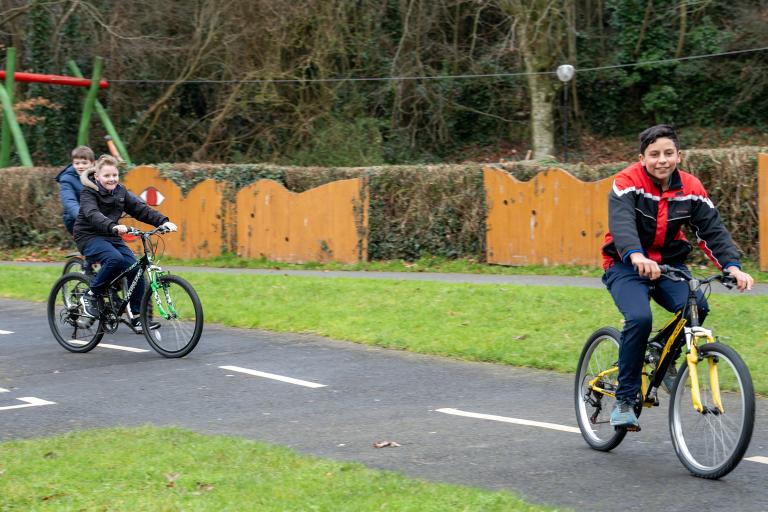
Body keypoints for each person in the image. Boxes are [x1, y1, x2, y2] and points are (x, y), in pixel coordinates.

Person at [600, 124, 753, 429]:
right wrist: (636, 254)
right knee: (640, 318)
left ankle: (660, 353)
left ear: (679, 156)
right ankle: (625, 399)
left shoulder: (691, 188)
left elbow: (712, 231)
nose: (662, 160)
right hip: (625, 265)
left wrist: (732, 267)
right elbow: (621, 224)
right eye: (654, 154)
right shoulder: (627, 182)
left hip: (669, 265)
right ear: (642, 158)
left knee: (698, 306)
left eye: (668, 153)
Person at [73, 155, 177, 332]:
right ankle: (90, 295)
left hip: (111, 235)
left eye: (115, 175)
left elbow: (140, 209)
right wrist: (113, 226)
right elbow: (92, 214)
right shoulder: (88, 193)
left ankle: (136, 317)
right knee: (115, 259)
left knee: (136, 269)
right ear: (97, 176)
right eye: (107, 176)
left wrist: (162, 222)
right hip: (89, 236)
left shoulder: (120, 192)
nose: (112, 179)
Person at [55, 145, 95, 234]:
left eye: (84, 163)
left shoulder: (98, 176)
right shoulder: (66, 180)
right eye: (77, 163)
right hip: (76, 221)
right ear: (73, 163)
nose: (80, 166)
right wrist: (83, 217)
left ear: (92, 163)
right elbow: (69, 201)